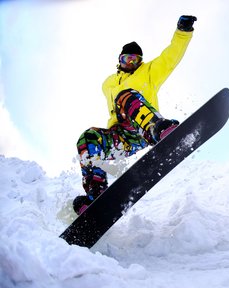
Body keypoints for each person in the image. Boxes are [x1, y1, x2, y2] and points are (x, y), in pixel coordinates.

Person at [73, 15, 197, 215]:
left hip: (142, 127)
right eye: (125, 59)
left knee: (125, 96)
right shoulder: (108, 83)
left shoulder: (149, 72)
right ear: (119, 60)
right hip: (122, 138)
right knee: (87, 138)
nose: (130, 62)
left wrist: (183, 32)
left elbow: (170, 57)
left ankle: (159, 130)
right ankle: (96, 194)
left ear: (140, 61)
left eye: (134, 59)